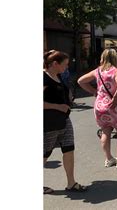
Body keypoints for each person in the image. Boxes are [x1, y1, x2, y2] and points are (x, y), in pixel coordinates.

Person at [77, 49, 117, 169]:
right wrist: (114, 99)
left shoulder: (97, 71)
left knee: (105, 131)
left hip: (99, 106)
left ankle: (109, 159)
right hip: (113, 107)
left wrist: (94, 91)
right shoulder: (115, 71)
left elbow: (80, 81)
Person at [44, 50, 87, 194]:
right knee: (45, 153)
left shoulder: (58, 76)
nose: (67, 67)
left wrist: (67, 95)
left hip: (64, 119)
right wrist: (58, 106)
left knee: (69, 149)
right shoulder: (43, 77)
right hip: (48, 122)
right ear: (54, 64)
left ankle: (71, 183)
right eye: (65, 64)